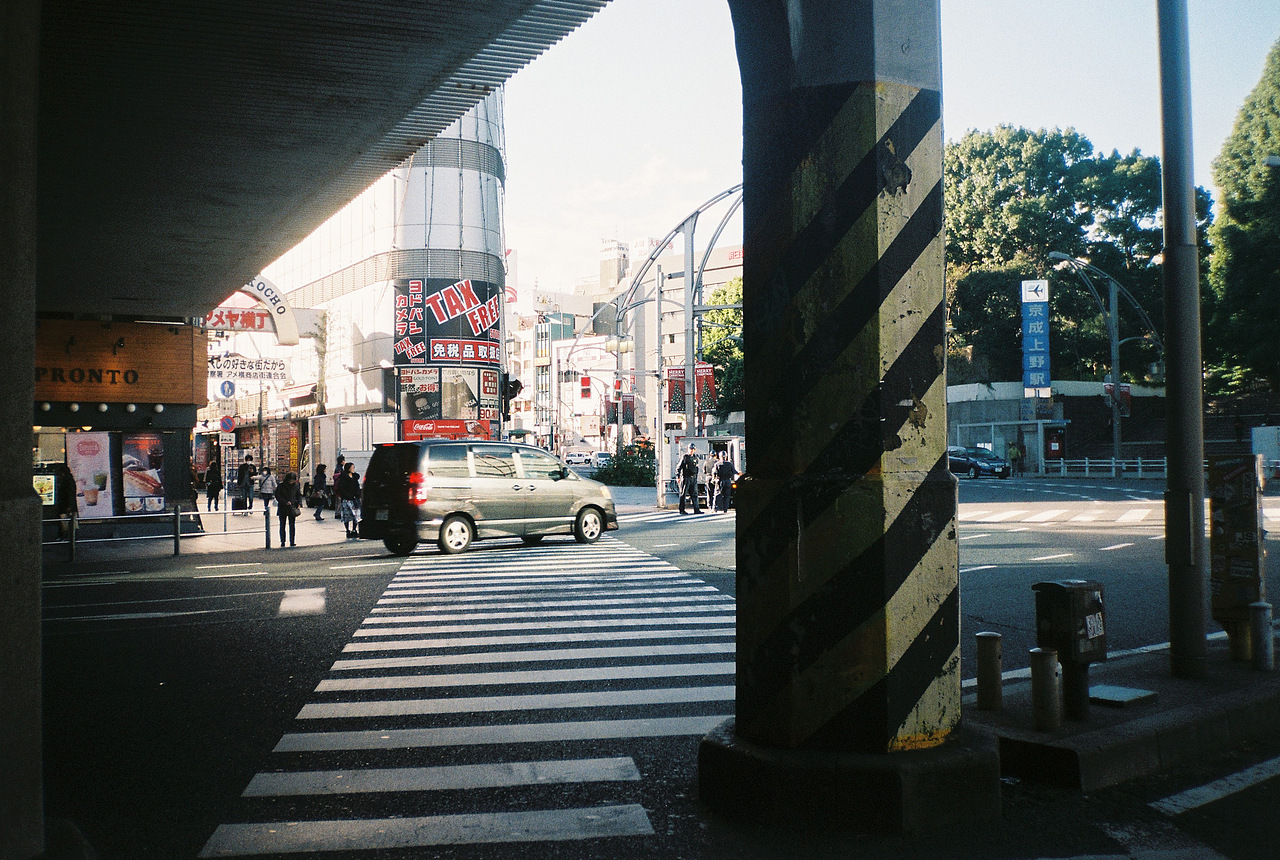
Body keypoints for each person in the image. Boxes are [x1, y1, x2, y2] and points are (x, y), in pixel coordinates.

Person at [274, 471, 303, 547]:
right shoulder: (281, 486)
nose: (291, 482)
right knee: (282, 525)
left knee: (292, 525)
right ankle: (282, 541)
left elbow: (298, 495)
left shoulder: (296, 486)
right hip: (283, 507)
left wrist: (299, 503)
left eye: (293, 480)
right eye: (290, 480)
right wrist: (285, 502)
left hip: (292, 507)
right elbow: (278, 496)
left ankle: (292, 541)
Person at [335, 461, 361, 538]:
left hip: (354, 499)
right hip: (346, 499)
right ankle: (347, 530)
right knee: (346, 516)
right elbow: (341, 488)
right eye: (352, 467)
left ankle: (354, 530)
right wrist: (347, 495)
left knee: (356, 515)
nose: (353, 469)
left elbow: (357, 486)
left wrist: (357, 494)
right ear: (348, 468)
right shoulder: (343, 477)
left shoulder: (355, 477)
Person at [677, 444, 701, 514]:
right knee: (683, 494)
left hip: (693, 478)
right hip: (686, 477)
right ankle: (682, 510)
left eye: (693, 449)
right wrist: (677, 476)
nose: (691, 451)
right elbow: (679, 467)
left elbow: (696, 468)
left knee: (695, 494)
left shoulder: (695, 458)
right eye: (690, 449)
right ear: (688, 449)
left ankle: (696, 509)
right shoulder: (685, 457)